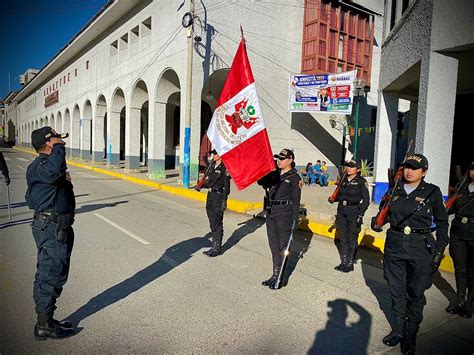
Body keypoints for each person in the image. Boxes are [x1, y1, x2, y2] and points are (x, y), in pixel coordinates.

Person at [371, 154, 449, 354]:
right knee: (396, 291)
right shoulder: (394, 189)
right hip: (394, 246)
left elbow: (442, 223)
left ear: (424, 172)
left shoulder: (432, 192)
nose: (409, 171)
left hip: (421, 248)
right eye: (406, 166)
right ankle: (398, 330)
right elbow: (384, 214)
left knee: (415, 294)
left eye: (414, 168)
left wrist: (439, 252)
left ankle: (411, 335)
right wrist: (377, 222)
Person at [25, 126, 76, 340]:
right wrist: (58, 149)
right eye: (56, 139)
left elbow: (47, 187)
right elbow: (55, 171)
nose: (60, 142)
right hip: (52, 228)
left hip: (52, 226)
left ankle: (47, 319)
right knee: (51, 275)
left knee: (49, 273)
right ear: (49, 143)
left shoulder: (41, 167)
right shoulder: (46, 166)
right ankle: (44, 324)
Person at [261, 149, 302, 289]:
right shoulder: (275, 174)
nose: (280, 161)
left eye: (283, 159)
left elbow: (296, 201)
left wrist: (295, 220)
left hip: (285, 213)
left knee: (283, 247)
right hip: (271, 211)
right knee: (273, 246)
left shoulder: (295, 178)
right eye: (279, 158)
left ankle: (281, 279)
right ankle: (275, 274)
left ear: (290, 160)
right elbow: (262, 183)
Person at [446, 162, 474, 318]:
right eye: (472, 170)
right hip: (458, 233)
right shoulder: (461, 188)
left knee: (472, 270)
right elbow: (450, 209)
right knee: (460, 268)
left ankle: (470, 303)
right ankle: (460, 300)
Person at [332, 159, 370, 272]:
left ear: (358, 169)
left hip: (354, 211)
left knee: (352, 237)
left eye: (352, 166)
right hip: (342, 211)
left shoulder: (361, 181)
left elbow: (366, 200)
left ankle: (350, 263)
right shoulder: (343, 180)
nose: (349, 168)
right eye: (348, 166)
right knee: (343, 237)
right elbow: (340, 196)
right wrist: (333, 199)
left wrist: (360, 213)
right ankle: (343, 262)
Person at [200, 149, 231, 257]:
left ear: (221, 155)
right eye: (213, 153)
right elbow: (209, 182)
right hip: (210, 195)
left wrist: (224, 201)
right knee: (212, 220)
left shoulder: (224, 168)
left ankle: (217, 247)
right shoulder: (211, 166)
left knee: (217, 222)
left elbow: (227, 187)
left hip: (218, 196)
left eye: (216, 153)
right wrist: (201, 186)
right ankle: (214, 244)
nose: (213, 155)